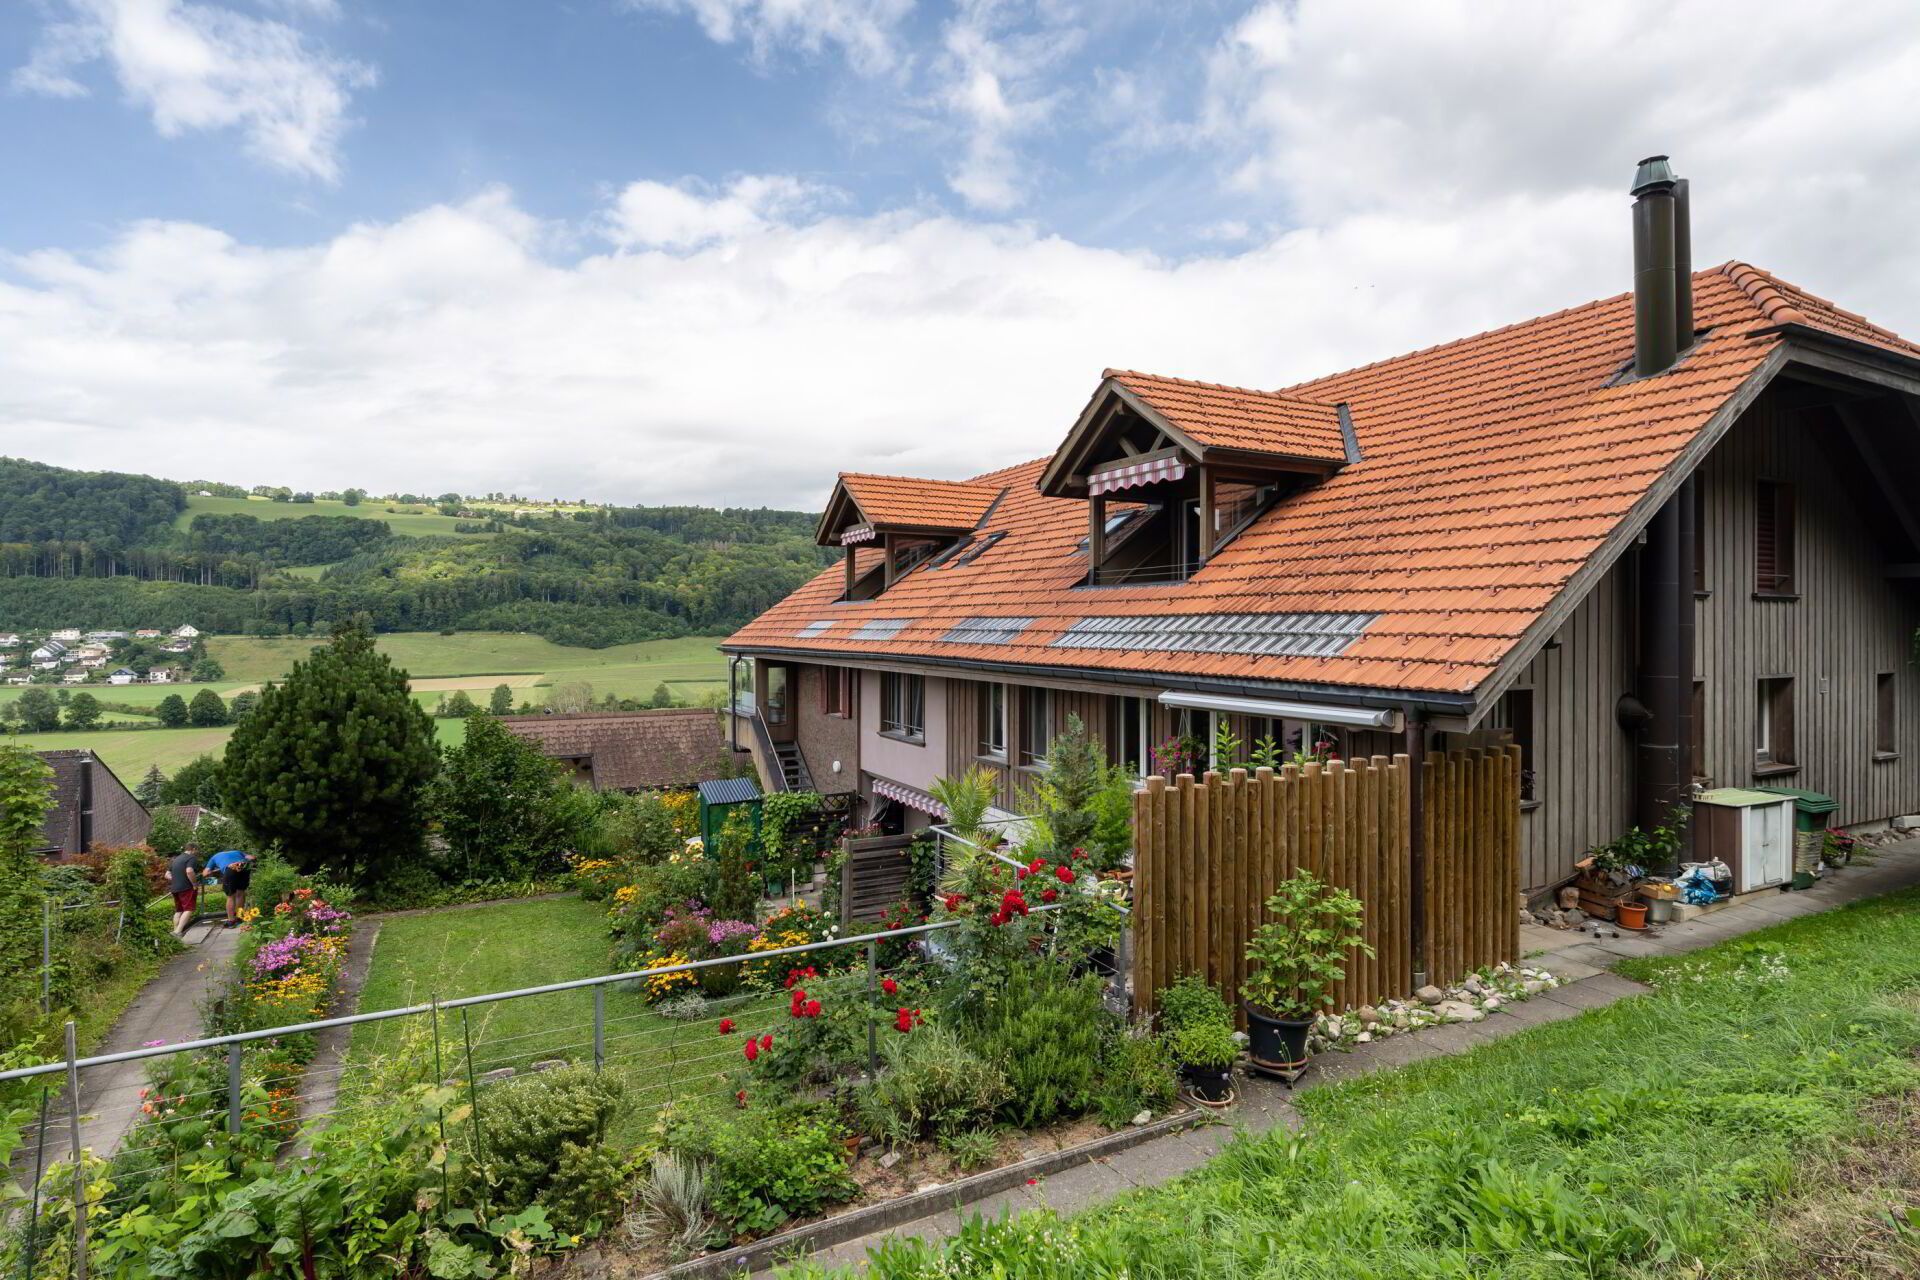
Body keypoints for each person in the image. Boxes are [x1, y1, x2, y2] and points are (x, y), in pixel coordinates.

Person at [206, 848, 255, 928]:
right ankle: (240, 917)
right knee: (240, 893)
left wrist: (212, 872)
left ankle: (231, 921)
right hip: (244, 866)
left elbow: (206, 872)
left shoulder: (214, 857)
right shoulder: (238, 852)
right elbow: (252, 857)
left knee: (231, 896)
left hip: (231, 868)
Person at [167, 844, 203, 936]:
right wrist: (194, 884)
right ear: (193, 849)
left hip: (175, 888)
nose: (197, 852)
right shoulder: (191, 858)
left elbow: (167, 874)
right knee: (188, 909)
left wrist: (177, 879)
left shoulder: (176, 859)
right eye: (196, 850)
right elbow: (189, 871)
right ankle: (178, 932)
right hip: (186, 887)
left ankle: (175, 932)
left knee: (179, 910)